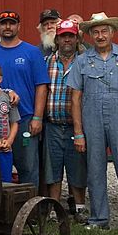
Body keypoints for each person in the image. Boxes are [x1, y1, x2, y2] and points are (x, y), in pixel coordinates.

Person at [71, 13, 118, 230]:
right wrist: (78, 132)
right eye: (95, 32)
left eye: (104, 31)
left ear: (112, 33)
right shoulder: (82, 60)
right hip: (92, 122)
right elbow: (75, 98)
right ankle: (99, 218)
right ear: (90, 35)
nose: (100, 36)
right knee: (95, 170)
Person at [0, 10, 48, 185]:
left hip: (25, 118)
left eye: (12, 23)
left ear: (19, 26)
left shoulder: (32, 52)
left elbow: (41, 86)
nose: (8, 27)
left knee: (28, 167)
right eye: (4, 24)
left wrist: (38, 117)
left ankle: (29, 202)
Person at [43, 20, 88, 219]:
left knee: (77, 167)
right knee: (52, 168)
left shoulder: (85, 62)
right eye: (63, 36)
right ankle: (54, 208)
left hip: (76, 125)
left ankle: (79, 208)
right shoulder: (47, 61)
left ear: (77, 39)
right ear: (57, 40)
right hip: (52, 123)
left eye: (71, 36)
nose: (67, 40)